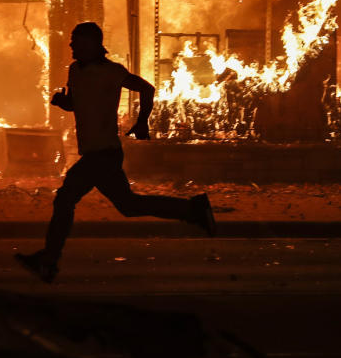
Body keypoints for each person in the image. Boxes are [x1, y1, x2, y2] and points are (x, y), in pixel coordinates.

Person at [15, 22, 215, 283]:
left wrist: (142, 121)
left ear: (93, 44)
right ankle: (193, 210)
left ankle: (48, 260)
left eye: (77, 41)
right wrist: (63, 102)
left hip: (104, 154)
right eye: (73, 41)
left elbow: (147, 88)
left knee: (65, 198)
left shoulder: (112, 72)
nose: (72, 46)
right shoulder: (75, 71)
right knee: (128, 206)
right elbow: (77, 103)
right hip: (95, 153)